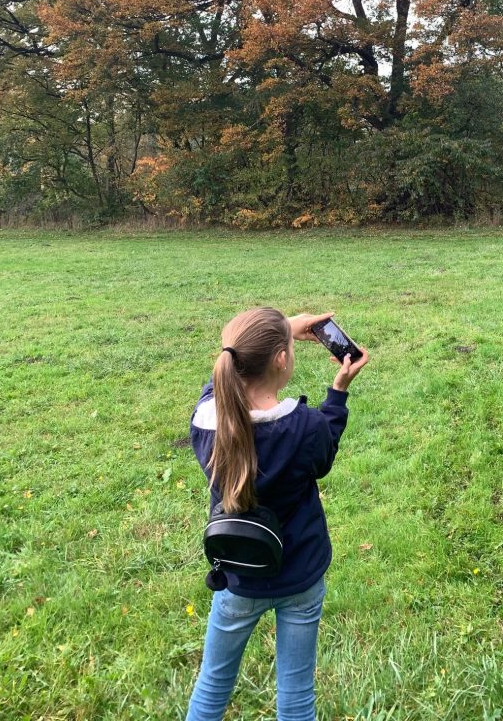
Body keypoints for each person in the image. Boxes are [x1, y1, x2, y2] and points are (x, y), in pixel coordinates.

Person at [185, 306, 369, 721]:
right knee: (297, 690)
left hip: (238, 578)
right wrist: (338, 392)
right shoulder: (305, 428)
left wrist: (282, 329)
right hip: (300, 576)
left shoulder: (205, 422)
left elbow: (228, 369)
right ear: (283, 361)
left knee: (212, 684)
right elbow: (324, 452)